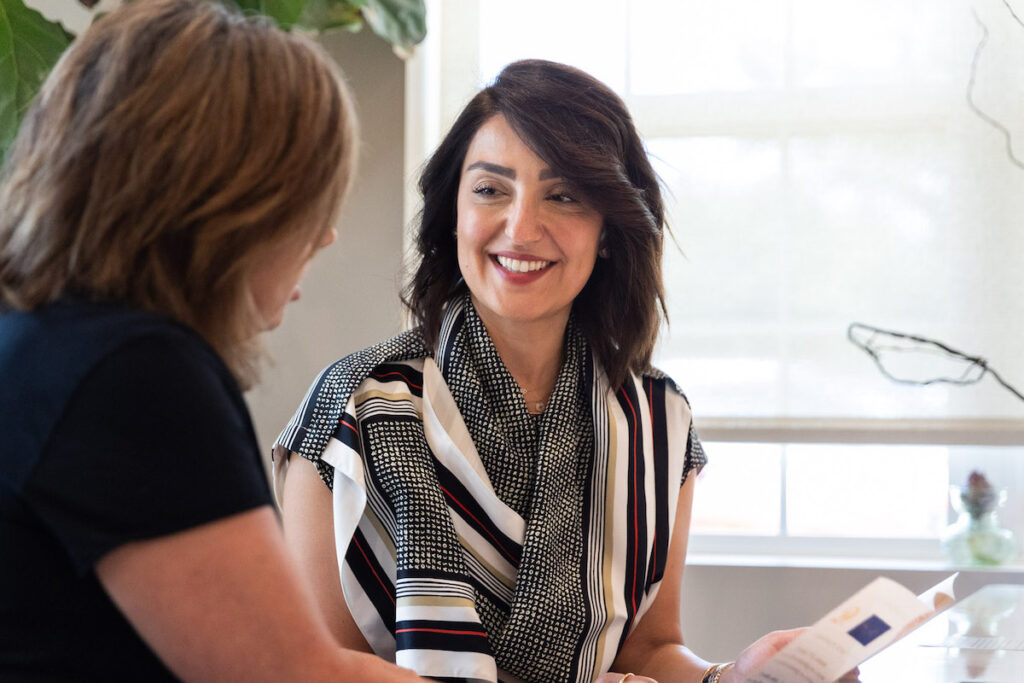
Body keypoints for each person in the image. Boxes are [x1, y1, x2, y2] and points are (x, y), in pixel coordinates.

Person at [274, 59, 803, 683]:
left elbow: (649, 652)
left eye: (564, 195)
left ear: (608, 228)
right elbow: (317, 669)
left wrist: (728, 676)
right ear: (453, 213)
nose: (521, 229)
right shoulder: (351, 408)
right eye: (490, 189)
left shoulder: (660, 420)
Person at [0, 1, 424, 680]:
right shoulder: (131, 377)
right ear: (234, 203)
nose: (325, 236)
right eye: (312, 201)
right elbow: (292, 675)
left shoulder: (37, 341)